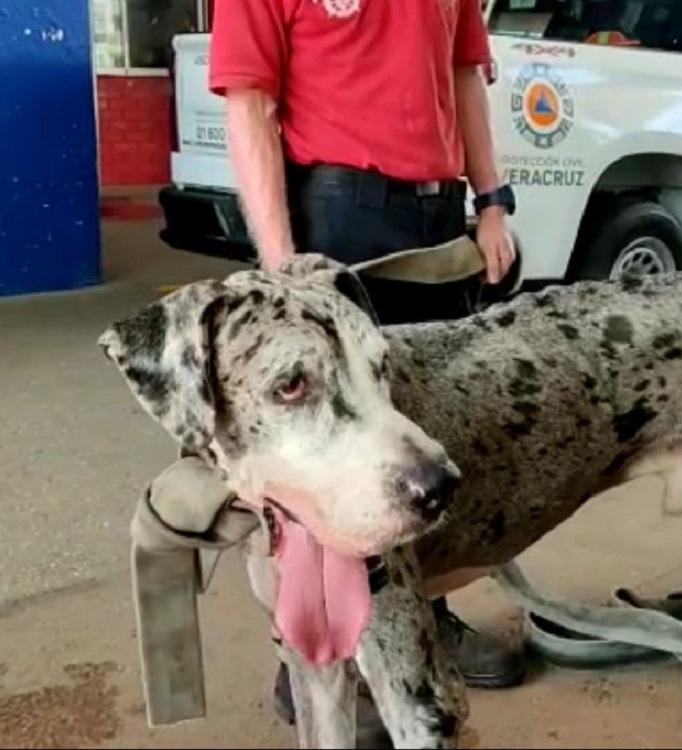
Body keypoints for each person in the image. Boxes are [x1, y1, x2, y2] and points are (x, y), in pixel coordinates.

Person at [205, 0, 526, 730]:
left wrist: (491, 203)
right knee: (328, 465)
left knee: (419, 441)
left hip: (437, 220)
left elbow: (464, 75)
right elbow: (251, 104)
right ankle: (317, 657)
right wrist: (284, 270)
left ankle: (422, 625)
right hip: (340, 213)